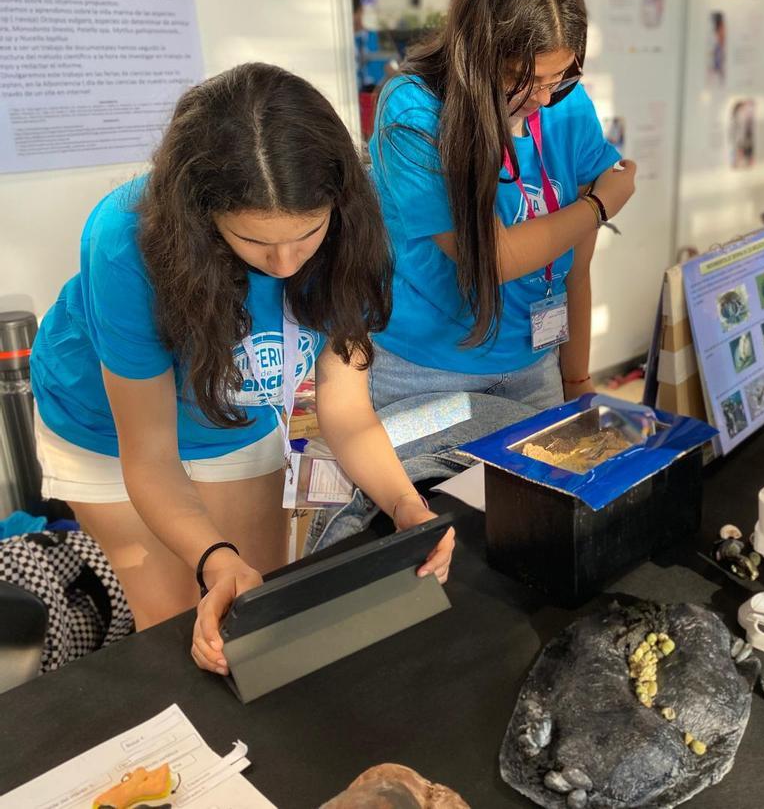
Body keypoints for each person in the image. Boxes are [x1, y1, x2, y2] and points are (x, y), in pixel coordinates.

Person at [29, 64, 455, 675]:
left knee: (257, 614)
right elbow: (148, 454)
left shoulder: (361, 229)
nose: (284, 264)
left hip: (239, 407)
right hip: (103, 427)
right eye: (254, 243)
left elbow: (346, 409)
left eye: (308, 233)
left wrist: (407, 506)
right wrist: (211, 558)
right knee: (181, 622)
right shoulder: (125, 239)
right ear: (203, 215)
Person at [368, 0, 635, 422]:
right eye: (521, 78)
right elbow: (494, 257)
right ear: (477, 51)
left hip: (535, 368)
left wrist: (576, 379)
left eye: (559, 77)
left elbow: (576, 263)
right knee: (440, 501)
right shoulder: (413, 110)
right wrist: (598, 207)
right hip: (428, 376)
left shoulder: (567, 104)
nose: (542, 97)